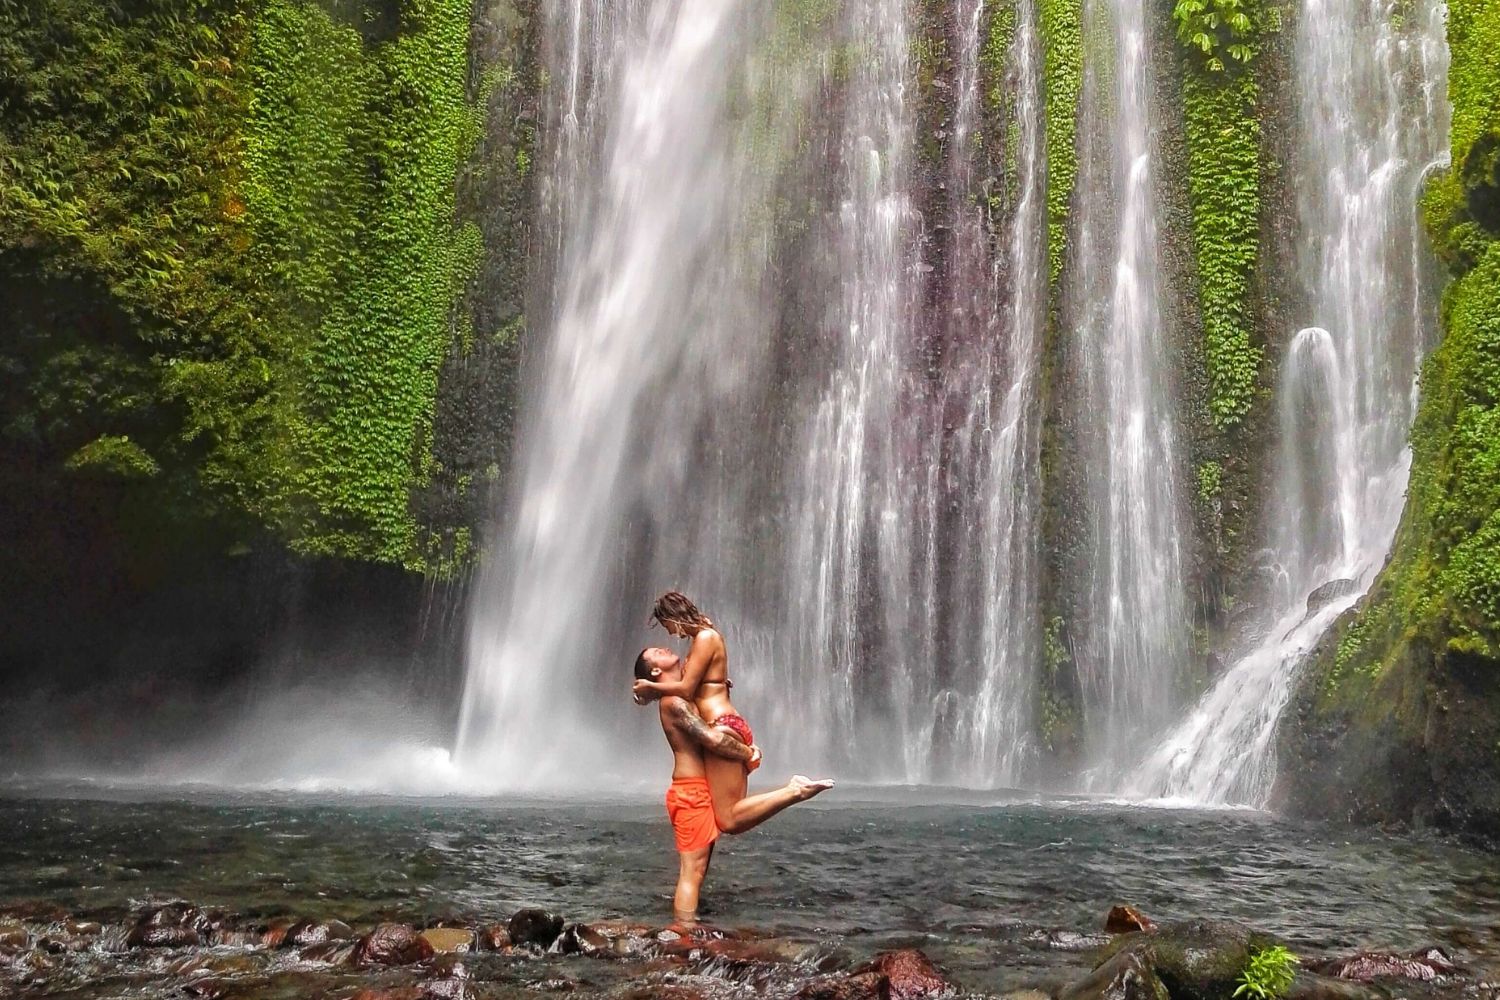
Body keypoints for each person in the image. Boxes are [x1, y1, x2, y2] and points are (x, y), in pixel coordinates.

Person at [636, 647, 832, 922]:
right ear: (655, 669)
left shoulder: (681, 695)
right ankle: (684, 936)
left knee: (699, 870)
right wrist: (748, 753)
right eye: (657, 651)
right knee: (692, 871)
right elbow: (711, 739)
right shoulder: (674, 703)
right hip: (689, 792)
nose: (665, 646)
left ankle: (691, 931)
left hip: (702, 787)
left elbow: (689, 687)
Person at [632, 591, 779, 833]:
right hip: (725, 723)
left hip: (722, 725)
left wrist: (651, 687)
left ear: (674, 617)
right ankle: (792, 791)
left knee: (729, 819)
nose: (668, 632)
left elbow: (687, 689)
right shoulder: (702, 638)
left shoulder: (705, 638)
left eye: (666, 624)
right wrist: (646, 695)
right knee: (728, 815)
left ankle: (794, 791)